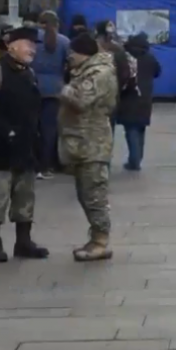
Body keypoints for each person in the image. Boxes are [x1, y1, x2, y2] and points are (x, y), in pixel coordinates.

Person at [0, 26, 47, 263]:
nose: (32, 50)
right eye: (28, 44)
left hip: (26, 149)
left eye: (34, 45)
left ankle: (23, 241)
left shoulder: (29, 73)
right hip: (0, 149)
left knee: (25, 196)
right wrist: (7, 132)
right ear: (11, 45)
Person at [58, 33, 120, 261]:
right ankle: (95, 237)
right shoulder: (86, 71)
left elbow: (82, 100)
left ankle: (101, 242)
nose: (70, 57)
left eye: (72, 52)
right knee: (86, 193)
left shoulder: (99, 73)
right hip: (82, 141)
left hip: (93, 142)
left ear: (83, 53)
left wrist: (63, 90)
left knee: (94, 194)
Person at [31, 11, 70, 180]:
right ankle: (47, 165)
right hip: (55, 88)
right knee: (50, 129)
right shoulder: (64, 41)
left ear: (40, 23)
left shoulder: (32, 40)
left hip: (32, 86)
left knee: (33, 127)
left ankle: (32, 162)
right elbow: (68, 65)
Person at [115, 33, 161, 171]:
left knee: (131, 129)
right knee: (141, 128)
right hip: (145, 97)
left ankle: (134, 160)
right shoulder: (150, 57)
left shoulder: (124, 57)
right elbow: (158, 72)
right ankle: (137, 158)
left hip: (128, 96)